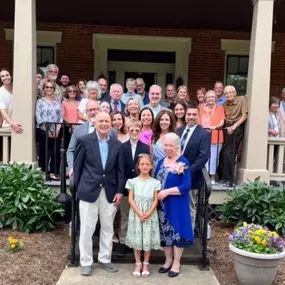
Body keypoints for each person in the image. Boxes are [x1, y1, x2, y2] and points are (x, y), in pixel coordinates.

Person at [74, 112, 125, 276]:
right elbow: (78, 167)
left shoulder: (117, 144)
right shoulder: (84, 141)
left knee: (108, 227)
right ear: (94, 122)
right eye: (101, 121)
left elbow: (120, 171)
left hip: (110, 192)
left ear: (111, 124)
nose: (104, 124)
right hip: (89, 190)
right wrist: (78, 188)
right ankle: (86, 262)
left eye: (107, 121)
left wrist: (119, 191)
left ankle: (105, 258)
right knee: (87, 228)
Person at [155, 132, 193, 278]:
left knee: (177, 233)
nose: (168, 148)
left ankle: (176, 262)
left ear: (177, 147)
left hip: (177, 204)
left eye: (171, 145)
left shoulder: (183, 162)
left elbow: (186, 186)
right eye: (166, 145)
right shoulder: (160, 162)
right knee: (165, 233)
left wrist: (167, 192)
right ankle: (168, 260)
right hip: (162, 205)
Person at [126, 154, 161, 278]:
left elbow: (156, 200)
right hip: (136, 214)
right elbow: (130, 199)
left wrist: (149, 213)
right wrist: (139, 213)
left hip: (149, 214)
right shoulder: (132, 182)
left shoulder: (155, 182)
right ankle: (137, 263)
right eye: (142, 164)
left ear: (151, 166)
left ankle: (146, 263)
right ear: (138, 166)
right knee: (137, 239)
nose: (145, 166)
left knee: (146, 238)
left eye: (147, 164)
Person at [119, 119, 150, 256]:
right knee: (125, 215)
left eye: (137, 130)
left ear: (141, 131)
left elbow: (146, 166)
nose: (134, 132)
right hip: (126, 186)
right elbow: (120, 169)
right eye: (131, 129)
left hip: (140, 187)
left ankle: (139, 244)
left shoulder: (145, 147)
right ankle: (124, 241)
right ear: (127, 130)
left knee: (139, 215)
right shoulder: (122, 147)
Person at [177, 104, 211, 230]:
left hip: (191, 177)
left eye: (194, 114)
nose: (191, 117)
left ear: (198, 116)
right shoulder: (179, 131)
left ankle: (188, 234)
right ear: (185, 116)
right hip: (175, 176)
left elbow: (203, 157)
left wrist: (187, 172)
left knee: (189, 207)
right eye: (189, 114)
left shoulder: (203, 134)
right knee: (177, 206)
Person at [66, 100, 117, 178]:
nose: (93, 112)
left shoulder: (112, 131)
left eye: (95, 109)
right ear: (86, 112)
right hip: (84, 173)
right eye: (90, 110)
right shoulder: (78, 130)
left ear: (100, 110)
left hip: (105, 175)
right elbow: (71, 150)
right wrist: (72, 167)